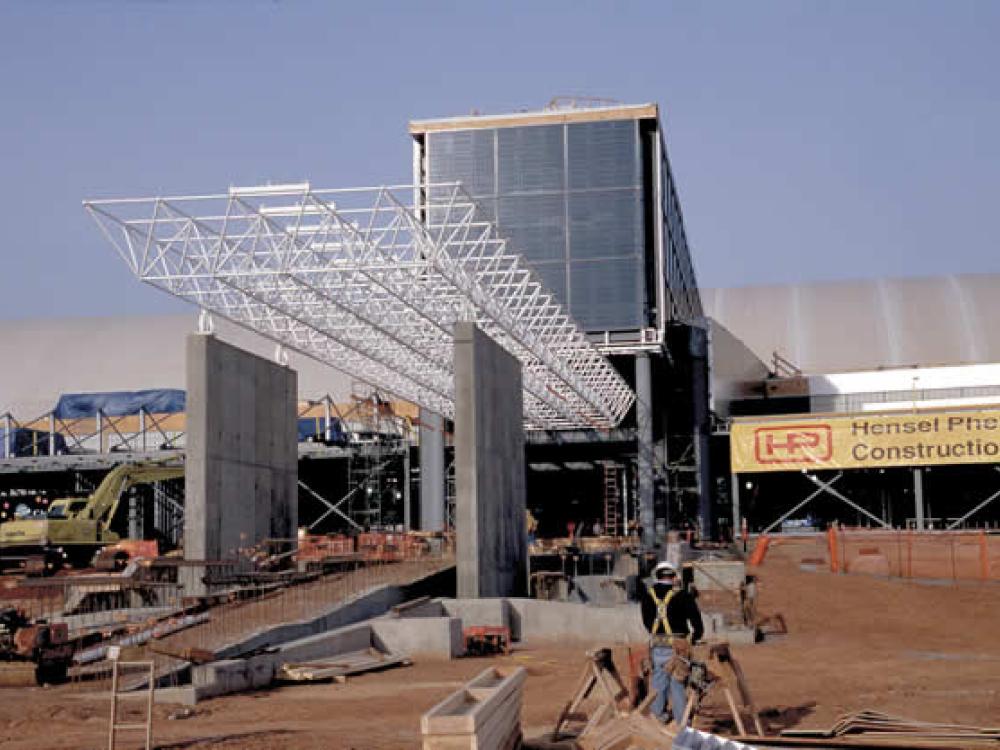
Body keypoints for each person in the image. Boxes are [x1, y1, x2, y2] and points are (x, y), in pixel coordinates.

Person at [640, 560, 704, 726]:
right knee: (677, 683)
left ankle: (657, 718)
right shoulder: (683, 595)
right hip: (678, 648)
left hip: (657, 646)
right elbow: (698, 625)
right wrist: (692, 639)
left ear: (658, 576)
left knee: (658, 682)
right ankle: (681, 722)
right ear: (674, 576)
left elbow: (647, 622)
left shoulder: (648, 595)